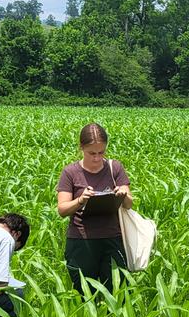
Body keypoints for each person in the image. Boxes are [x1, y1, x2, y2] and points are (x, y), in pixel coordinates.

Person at [56, 123, 134, 294]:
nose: (97, 158)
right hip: (81, 241)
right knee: (84, 295)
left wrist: (123, 194)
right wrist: (81, 200)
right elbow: (62, 209)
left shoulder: (115, 168)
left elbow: (129, 204)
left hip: (112, 239)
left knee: (116, 294)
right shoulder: (70, 172)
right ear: (81, 147)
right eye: (92, 153)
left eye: (101, 152)